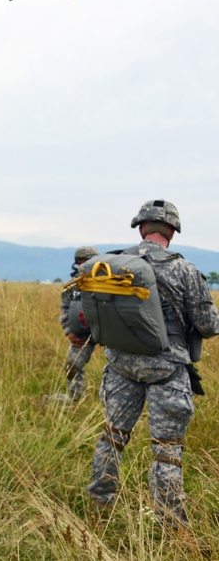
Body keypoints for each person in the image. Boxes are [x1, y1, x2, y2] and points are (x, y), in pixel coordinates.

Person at [87, 200, 219, 529]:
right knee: (166, 450)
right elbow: (208, 325)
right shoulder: (185, 271)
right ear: (172, 231)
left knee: (112, 438)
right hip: (168, 371)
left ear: (141, 227)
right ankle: (170, 526)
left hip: (120, 367)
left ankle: (99, 507)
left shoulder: (116, 263)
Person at [52, 246, 99, 403]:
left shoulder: (109, 284)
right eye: (80, 262)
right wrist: (69, 332)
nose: (83, 266)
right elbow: (65, 309)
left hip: (109, 334)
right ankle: (75, 399)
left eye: (87, 262)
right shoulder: (72, 286)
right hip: (81, 333)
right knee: (72, 364)